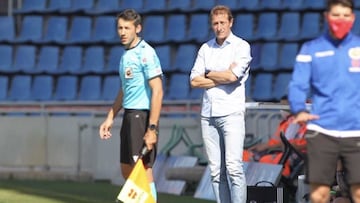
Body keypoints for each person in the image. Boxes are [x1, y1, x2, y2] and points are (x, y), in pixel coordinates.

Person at [288, 0, 360, 202]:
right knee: (319, 194)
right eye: (336, 15)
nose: (341, 20)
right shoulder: (311, 49)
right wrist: (299, 109)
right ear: (327, 17)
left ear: (352, 18)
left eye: (346, 16)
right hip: (322, 131)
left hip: (356, 131)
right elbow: (297, 85)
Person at [98, 9, 163, 201]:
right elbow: (124, 89)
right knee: (127, 169)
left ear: (138, 28)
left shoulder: (146, 53)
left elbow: (158, 91)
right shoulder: (126, 55)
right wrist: (111, 116)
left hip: (141, 117)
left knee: (142, 169)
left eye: (127, 28)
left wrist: (152, 128)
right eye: (120, 28)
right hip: (129, 115)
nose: (122, 32)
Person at [189, 5, 252, 203]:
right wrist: (221, 74)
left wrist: (208, 73)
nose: (219, 27)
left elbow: (234, 76)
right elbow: (193, 80)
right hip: (208, 115)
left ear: (230, 22)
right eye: (215, 23)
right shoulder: (205, 48)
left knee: (233, 168)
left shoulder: (241, 46)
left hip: (231, 113)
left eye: (222, 22)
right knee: (216, 171)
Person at [244, 111, 307, 177]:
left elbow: (290, 145)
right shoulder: (290, 121)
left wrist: (267, 146)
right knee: (244, 155)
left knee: (268, 160)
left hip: (294, 155)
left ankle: (277, 184)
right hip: (277, 150)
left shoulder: (298, 123)